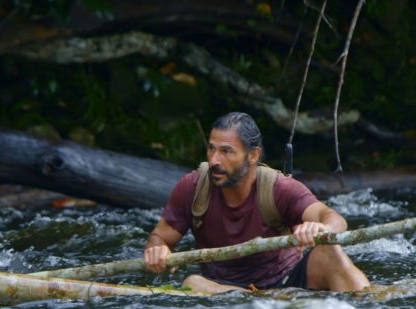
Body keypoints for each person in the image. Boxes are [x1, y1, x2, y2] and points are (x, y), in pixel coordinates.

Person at [143, 112, 369, 293]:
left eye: (226, 151)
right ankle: (260, 304)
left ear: (253, 155)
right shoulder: (192, 187)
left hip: (287, 283)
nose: (214, 160)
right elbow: (160, 237)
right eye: (211, 148)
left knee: (330, 251)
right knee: (193, 282)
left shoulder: (279, 188)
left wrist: (322, 228)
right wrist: (157, 249)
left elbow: (333, 218)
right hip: (222, 290)